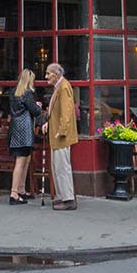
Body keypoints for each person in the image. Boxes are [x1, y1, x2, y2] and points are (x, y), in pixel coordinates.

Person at [6, 69, 44, 205]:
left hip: (15, 129)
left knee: (24, 160)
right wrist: (38, 106)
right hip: (25, 131)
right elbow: (35, 111)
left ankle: (21, 190)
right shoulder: (27, 93)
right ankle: (14, 193)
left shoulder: (13, 92)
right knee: (21, 162)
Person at [44, 60, 78, 209]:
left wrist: (61, 131)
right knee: (57, 167)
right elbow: (57, 111)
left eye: (48, 73)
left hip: (60, 136)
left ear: (56, 75)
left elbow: (67, 111)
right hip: (56, 134)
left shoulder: (63, 87)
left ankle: (68, 199)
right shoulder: (59, 86)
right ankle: (62, 196)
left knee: (62, 168)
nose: (46, 77)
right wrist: (48, 124)